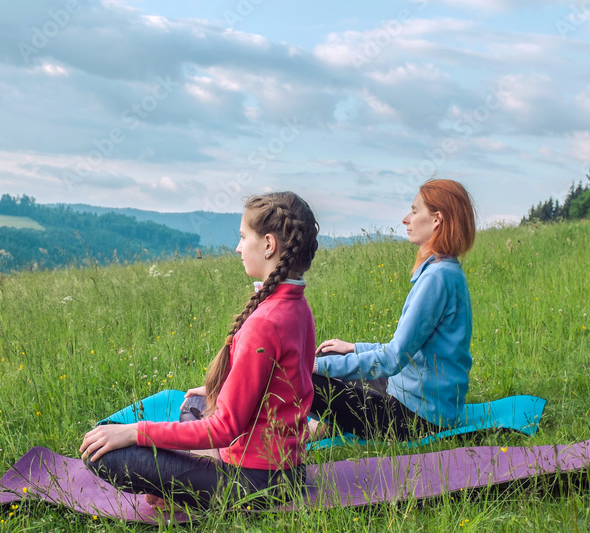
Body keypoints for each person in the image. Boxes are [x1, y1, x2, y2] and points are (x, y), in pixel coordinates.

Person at [80, 192, 320, 510]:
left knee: (107, 453)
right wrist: (218, 391)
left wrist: (136, 432)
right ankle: (181, 478)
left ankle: (180, 490)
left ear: (268, 245)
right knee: (196, 400)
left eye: (243, 237)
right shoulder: (295, 305)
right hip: (284, 468)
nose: (238, 247)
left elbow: (225, 429)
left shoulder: (266, 321)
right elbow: (277, 388)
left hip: (254, 482)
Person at [311, 178, 475, 441]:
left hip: (421, 418)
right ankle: (318, 429)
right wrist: (354, 347)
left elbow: (392, 359)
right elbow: (406, 351)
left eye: (414, 211)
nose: (405, 219)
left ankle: (280, 436)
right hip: (428, 402)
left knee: (305, 380)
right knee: (342, 370)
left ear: (437, 220)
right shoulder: (446, 270)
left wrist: (317, 365)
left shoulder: (436, 278)